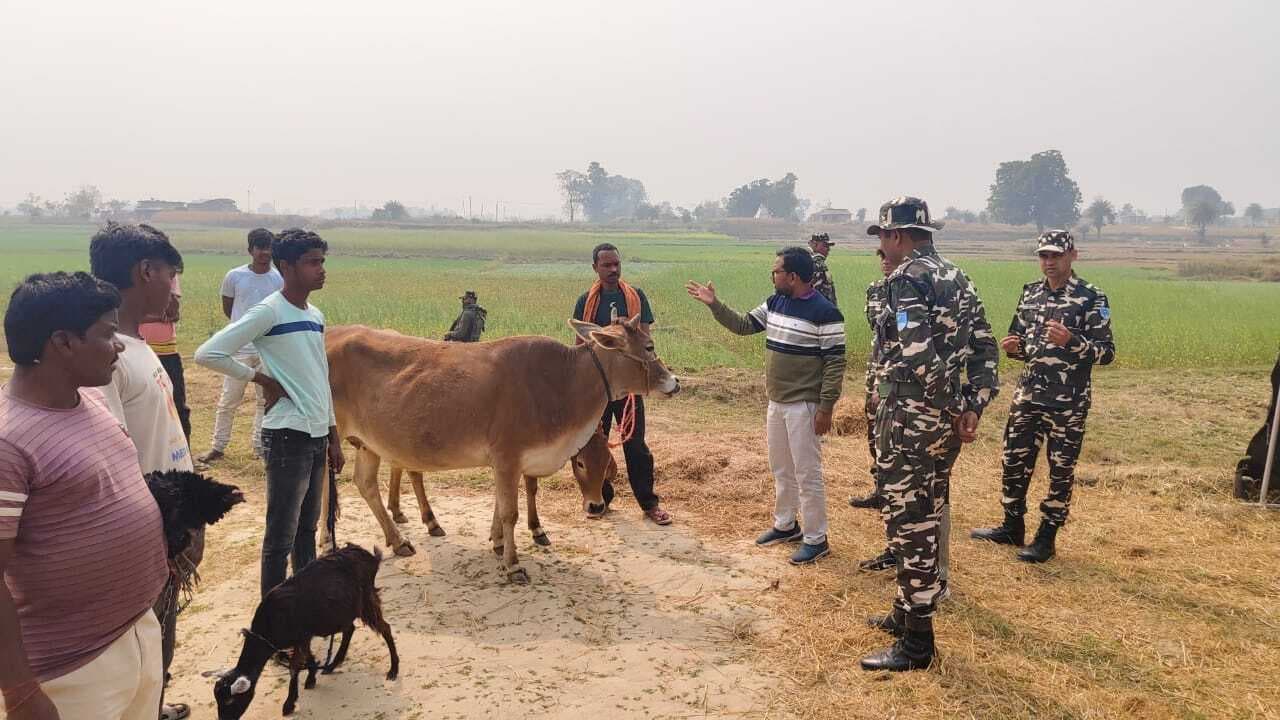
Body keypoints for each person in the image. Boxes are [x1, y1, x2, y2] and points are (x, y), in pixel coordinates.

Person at [1, 272, 168, 720]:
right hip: (73, 671)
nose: (118, 345)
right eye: (107, 332)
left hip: (136, 631)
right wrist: (19, 691)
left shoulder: (89, 401)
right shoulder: (8, 443)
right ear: (63, 342)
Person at [860, 197, 997, 672]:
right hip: (943, 422)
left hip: (911, 417)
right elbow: (985, 349)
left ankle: (918, 644)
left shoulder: (906, 279)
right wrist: (973, 405)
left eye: (882, 236)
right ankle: (904, 613)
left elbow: (918, 356)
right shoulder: (958, 277)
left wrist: (954, 405)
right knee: (929, 508)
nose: (881, 245)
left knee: (910, 522)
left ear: (898, 236)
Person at [195, 228, 345, 598]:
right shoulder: (269, 311)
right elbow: (208, 353)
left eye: (322, 261)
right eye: (312, 263)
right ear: (286, 266)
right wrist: (262, 380)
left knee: (306, 533)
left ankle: (303, 617)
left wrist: (333, 435)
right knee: (281, 537)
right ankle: (274, 626)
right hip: (287, 437)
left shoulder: (314, 314)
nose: (321, 269)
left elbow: (319, 376)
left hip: (314, 436)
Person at [89, 222, 196, 720]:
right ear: (146, 271)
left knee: (159, 636)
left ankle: (154, 704)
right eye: (171, 274)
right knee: (141, 635)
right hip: (147, 530)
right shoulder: (105, 359)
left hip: (169, 524)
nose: (175, 288)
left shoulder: (137, 346)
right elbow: (110, 456)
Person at [686, 247, 846, 565]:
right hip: (777, 402)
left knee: (807, 473)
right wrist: (714, 304)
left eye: (776, 271)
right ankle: (786, 525)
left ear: (792, 277)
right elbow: (745, 325)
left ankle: (817, 539)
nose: (772, 275)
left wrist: (826, 408)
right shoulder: (776, 302)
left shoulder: (825, 313)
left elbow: (834, 364)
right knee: (782, 469)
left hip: (804, 405)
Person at [971, 230, 1114, 563]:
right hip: (1029, 395)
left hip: (1068, 402)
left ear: (1072, 256)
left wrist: (1072, 342)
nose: (1049, 263)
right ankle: (1011, 525)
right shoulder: (1031, 293)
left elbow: (1106, 353)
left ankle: (1046, 538)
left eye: (1056, 256)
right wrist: (1014, 348)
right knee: (1013, 461)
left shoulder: (1091, 297)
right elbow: (1023, 343)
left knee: (1060, 470)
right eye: (1043, 256)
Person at [572, 243, 672, 525]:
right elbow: (580, 347)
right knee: (595, 444)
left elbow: (646, 340)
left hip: (628, 386)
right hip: (599, 387)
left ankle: (649, 503)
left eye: (616, 264)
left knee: (635, 444)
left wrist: (629, 328)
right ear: (595, 268)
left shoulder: (636, 297)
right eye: (606, 265)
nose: (613, 269)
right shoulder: (585, 301)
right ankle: (600, 498)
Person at [197, 228, 283, 464]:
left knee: (264, 401)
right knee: (228, 400)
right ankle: (217, 447)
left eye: (268, 248)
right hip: (239, 349)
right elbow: (229, 308)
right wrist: (242, 331)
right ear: (250, 250)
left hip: (266, 349)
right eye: (259, 247)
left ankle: (260, 446)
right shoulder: (234, 276)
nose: (264, 252)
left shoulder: (278, 279)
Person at [849, 249, 894, 513]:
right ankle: (880, 489)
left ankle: (895, 495)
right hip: (874, 371)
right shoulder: (875, 290)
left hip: (895, 374)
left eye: (888, 256)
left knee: (892, 433)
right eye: (881, 256)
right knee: (873, 431)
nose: (885, 260)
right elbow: (877, 332)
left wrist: (885, 383)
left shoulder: (912, 290)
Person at [139, 275, 190, 441]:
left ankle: (186, 460)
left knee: (176, 408)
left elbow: (173, 312)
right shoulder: (127, 267)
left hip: (167, 352)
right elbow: (123, 312)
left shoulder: (167, 270)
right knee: (140, 408)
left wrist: (145, 315)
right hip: (136, 350)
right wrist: (157, 317)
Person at [808, 232, 838, 307]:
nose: (828, 249)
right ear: (814, 245)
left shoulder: (809, 261)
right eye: (825, 246)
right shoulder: (817, 264)